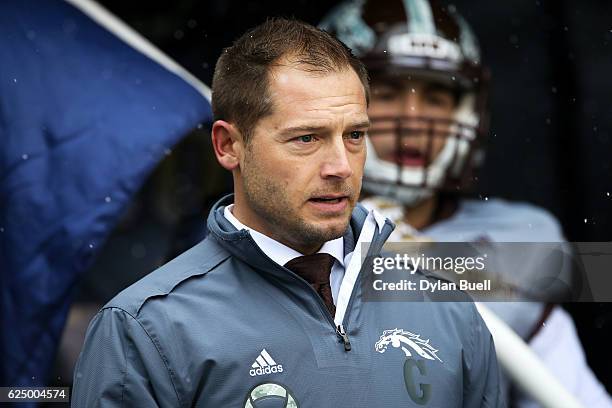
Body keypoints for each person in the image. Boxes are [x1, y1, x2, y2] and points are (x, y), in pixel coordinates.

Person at [72, 18, 503, 407]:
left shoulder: (446, 307)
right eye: (306, 138)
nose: (340, 166)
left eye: (354, 135)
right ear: (228, 146)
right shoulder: (146, 329)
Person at [320, 0, 612, 406]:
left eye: (437, 97)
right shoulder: (278, 233)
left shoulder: (522, 238)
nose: (415, 118)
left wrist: (415, 255)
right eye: (386, 92)